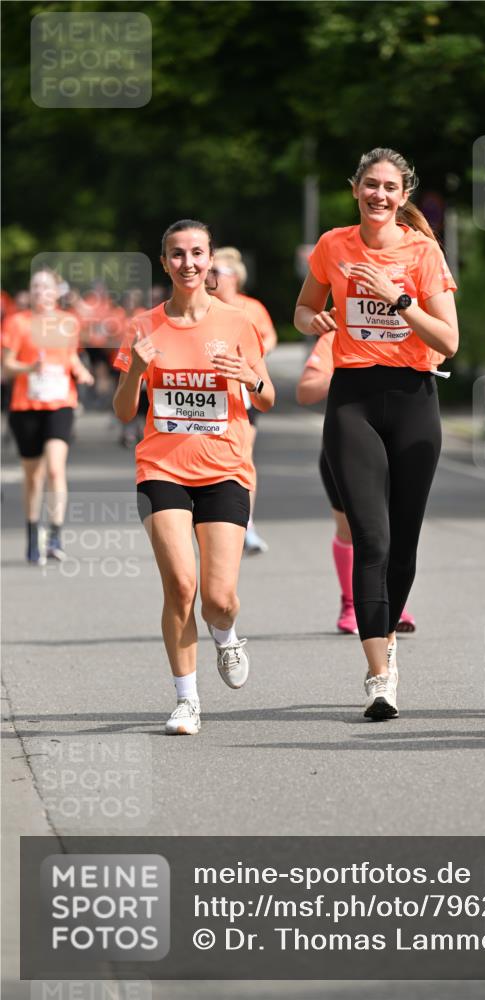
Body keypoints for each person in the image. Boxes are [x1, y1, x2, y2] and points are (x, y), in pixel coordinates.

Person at [294, 147, 458, 720]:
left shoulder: (423, 252)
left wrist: (399, 300)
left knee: (405, 544)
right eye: (370, 185)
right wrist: (312, 320)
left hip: (414, 402)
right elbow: (303, 308)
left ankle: (385, 638)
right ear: (355, 189)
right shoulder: (332, 245)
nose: (379, 195)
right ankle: (379, 675)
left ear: (404, 195)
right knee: (372, 537)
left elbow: (449, 340)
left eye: (390, 187)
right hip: (353, 401)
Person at [113, 219, 275, 735]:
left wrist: (247, 376)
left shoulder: (238, 321)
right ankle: (187, 699)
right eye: (178, 255)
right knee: (180, 585)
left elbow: (267, 395)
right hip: (161, 468)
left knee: (218, 598)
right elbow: (122, 412)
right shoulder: (143, 326)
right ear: (165, 263)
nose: (188, 263)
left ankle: (226, 637)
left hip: (225, 468)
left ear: (211, 263)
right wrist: (136, 373)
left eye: (197, 253)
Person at [296, 329, 417, 635]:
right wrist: (349, 372)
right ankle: (351, 602)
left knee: (392, 529)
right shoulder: (335, 337)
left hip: (397, 446)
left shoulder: (404, 328)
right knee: (355, 530)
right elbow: (305, 392)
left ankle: (392, 601)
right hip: (347, 448)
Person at [3, 268, 94, 564]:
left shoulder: (68, 322)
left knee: (56, 468)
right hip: (26, 405)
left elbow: (69, 356)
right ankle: (33, 533)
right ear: (31, 293)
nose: (42, 292)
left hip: (60, 402)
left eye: (47, 288)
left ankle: (55, 536)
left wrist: (80, 371)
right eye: (36, 287)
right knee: (34, 476)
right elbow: (7, 365)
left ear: (57, 292)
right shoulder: (17, 322)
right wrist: (29, 369)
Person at [210, 247, 277, 554]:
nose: (211, 278)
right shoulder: (204, 308)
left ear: (234, 277)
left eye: (217, 273)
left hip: (244, 392)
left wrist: (250, 359)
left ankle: (245, 524)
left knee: (243, 456)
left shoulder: (251, 308)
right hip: (209, 395)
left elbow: (269, 338)